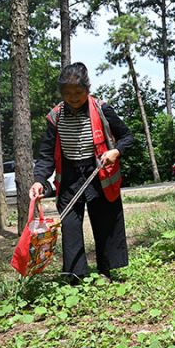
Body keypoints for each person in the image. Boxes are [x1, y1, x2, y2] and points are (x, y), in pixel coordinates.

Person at [29, 62, 133, 283]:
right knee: (70, 225)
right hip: (69, 177)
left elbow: (127, 137)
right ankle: (76, 276)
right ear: (61, 93)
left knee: (104, 221)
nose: (73, 97)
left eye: (78, 92)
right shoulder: (55, 116)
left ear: (88, 89)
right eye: (67, 93)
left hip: (98, 173)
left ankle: (106, 271)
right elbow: (46, 154)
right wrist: (39, 180)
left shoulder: (102, 109)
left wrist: (115, 151)